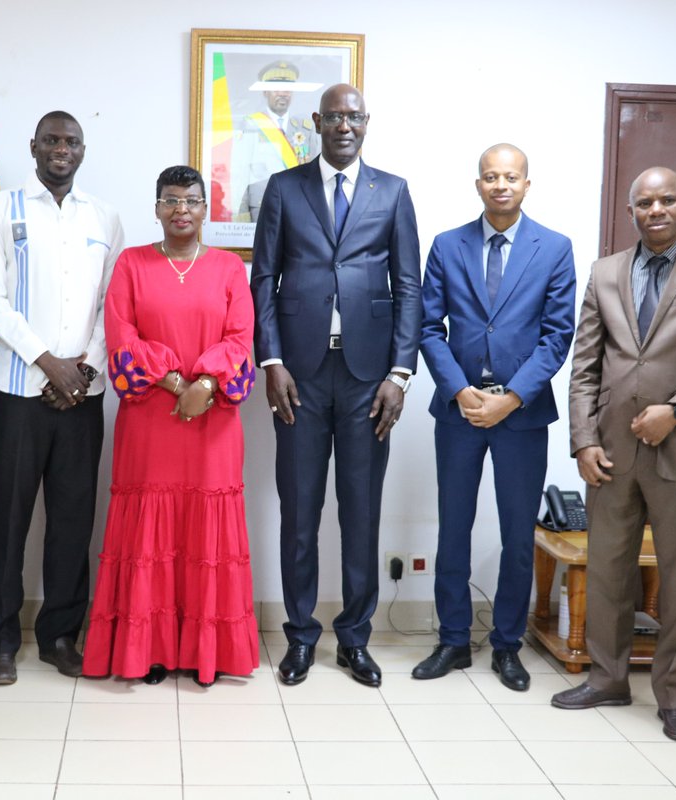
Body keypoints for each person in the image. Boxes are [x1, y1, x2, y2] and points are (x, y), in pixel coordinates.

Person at [550, 167, 676, 742]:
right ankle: (607, 679)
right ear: (631, 211)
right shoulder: (605, 272)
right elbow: (585, 366)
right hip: (611, 453)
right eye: (644, 202)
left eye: (667, 200)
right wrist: (584, 440)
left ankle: (675, 697)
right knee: (608, 573)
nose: (656, 209)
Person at [250, 84, 422, 687]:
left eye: (355, 117)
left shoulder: (393, 191)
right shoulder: (283, 188)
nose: (344, 125)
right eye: (335, 117)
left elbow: (410, 288)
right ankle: (300, 638)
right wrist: (270, 363)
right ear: (317, 122)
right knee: (299, 512)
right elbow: (263, 281)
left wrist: (400, 373)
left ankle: (354, 638)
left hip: (368, 378)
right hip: (298, 375)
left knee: (361, 512)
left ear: (366, 123)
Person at [82, 165, 259, 687]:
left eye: (192, 200)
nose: (182, 208)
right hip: (151, 419)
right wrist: (178, 384)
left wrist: (205, 385)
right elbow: (121, 336)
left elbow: (241, 336)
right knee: (149, 534)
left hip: (214, 423)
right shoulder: (132, 264)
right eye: (171, 199)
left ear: (207, 209)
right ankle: (149, 651)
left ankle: (208, 653)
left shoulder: (229, 268)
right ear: (156, 207)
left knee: (207, 530)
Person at [413, 144, 576, 692]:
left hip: (521, 417)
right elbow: (428, 327)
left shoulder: (554, 248)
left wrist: (512, 397)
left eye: (511, 176)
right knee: (453, 529)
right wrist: (459, 390)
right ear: (477, 184)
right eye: (490, 176)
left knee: (515, 534)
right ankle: (454, 640)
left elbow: (558, 336)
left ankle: (507, 645)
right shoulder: (446, 245)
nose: (500, 184)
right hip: (459, 412)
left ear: (527, 184)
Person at [0, 111, 124, 684]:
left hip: (81, 396)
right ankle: (0, 641)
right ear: (32, 146)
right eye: (52, 140)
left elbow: (116, 302)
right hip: (16, 391)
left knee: (72, 520)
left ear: (83, 151)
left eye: (71, 141)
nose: (62, 149)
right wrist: (48, 363)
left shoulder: (104, 216)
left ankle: (61, 635)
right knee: (8, 522)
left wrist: (82, 371)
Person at [235, 61, 319, 222]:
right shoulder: (251, 125)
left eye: (287, 88)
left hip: (300, 206)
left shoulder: (305, 127)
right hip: (261, 206)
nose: (283, 93)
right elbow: (241, 174)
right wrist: (243, 215)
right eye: (276, 88)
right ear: (265, 91)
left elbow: (316, 174)